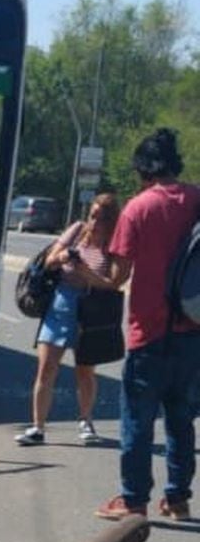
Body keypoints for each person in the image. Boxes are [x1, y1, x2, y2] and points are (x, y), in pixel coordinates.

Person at [92, 128, 200, 521]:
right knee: (182, 420)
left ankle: (133, 498)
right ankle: (178, 498)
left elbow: (116, 276)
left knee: (137, 421)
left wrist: (84, 272)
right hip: (192, 330)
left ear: (143, 169)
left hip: (149, 333)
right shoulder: (197, 199)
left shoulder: (138, 209)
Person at [16, 193, 122, 446]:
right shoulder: (76, 231)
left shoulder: (113, 243)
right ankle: (37, 427)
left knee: (84, 371)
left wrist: (85, 272)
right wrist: (62, 258)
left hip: (90, 310)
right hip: (60, 305)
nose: (95, 223)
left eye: (102, 218)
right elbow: (49, 260)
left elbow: (112, 283)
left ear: (112, 221)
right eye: (93, 215)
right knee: (46, 368)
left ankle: (85, 421)